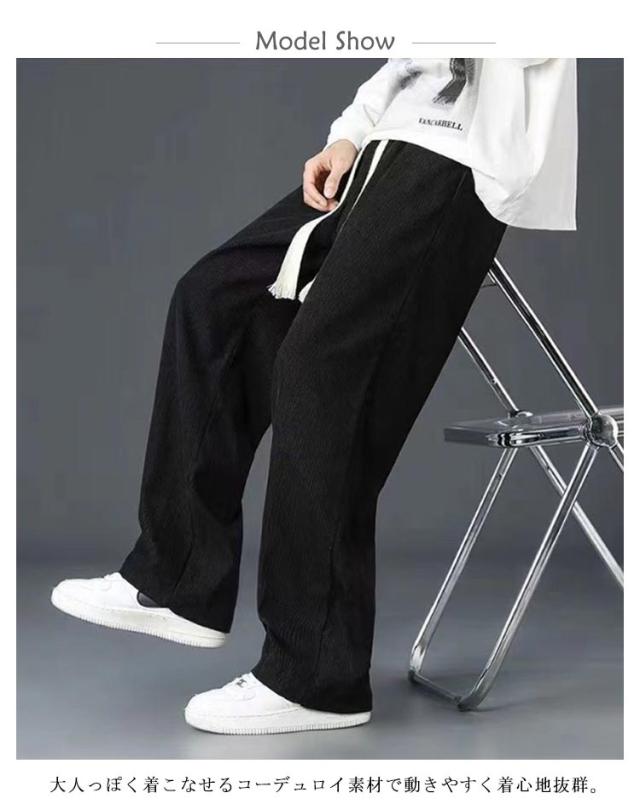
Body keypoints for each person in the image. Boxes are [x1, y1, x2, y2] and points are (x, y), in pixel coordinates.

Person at [51, 58, 578, 735]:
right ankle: (176, 575)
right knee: (213, 302)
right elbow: (411, 50)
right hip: (388, 141)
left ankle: (316, 677)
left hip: (459, 156)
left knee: (318, 371)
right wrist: (351, 131)